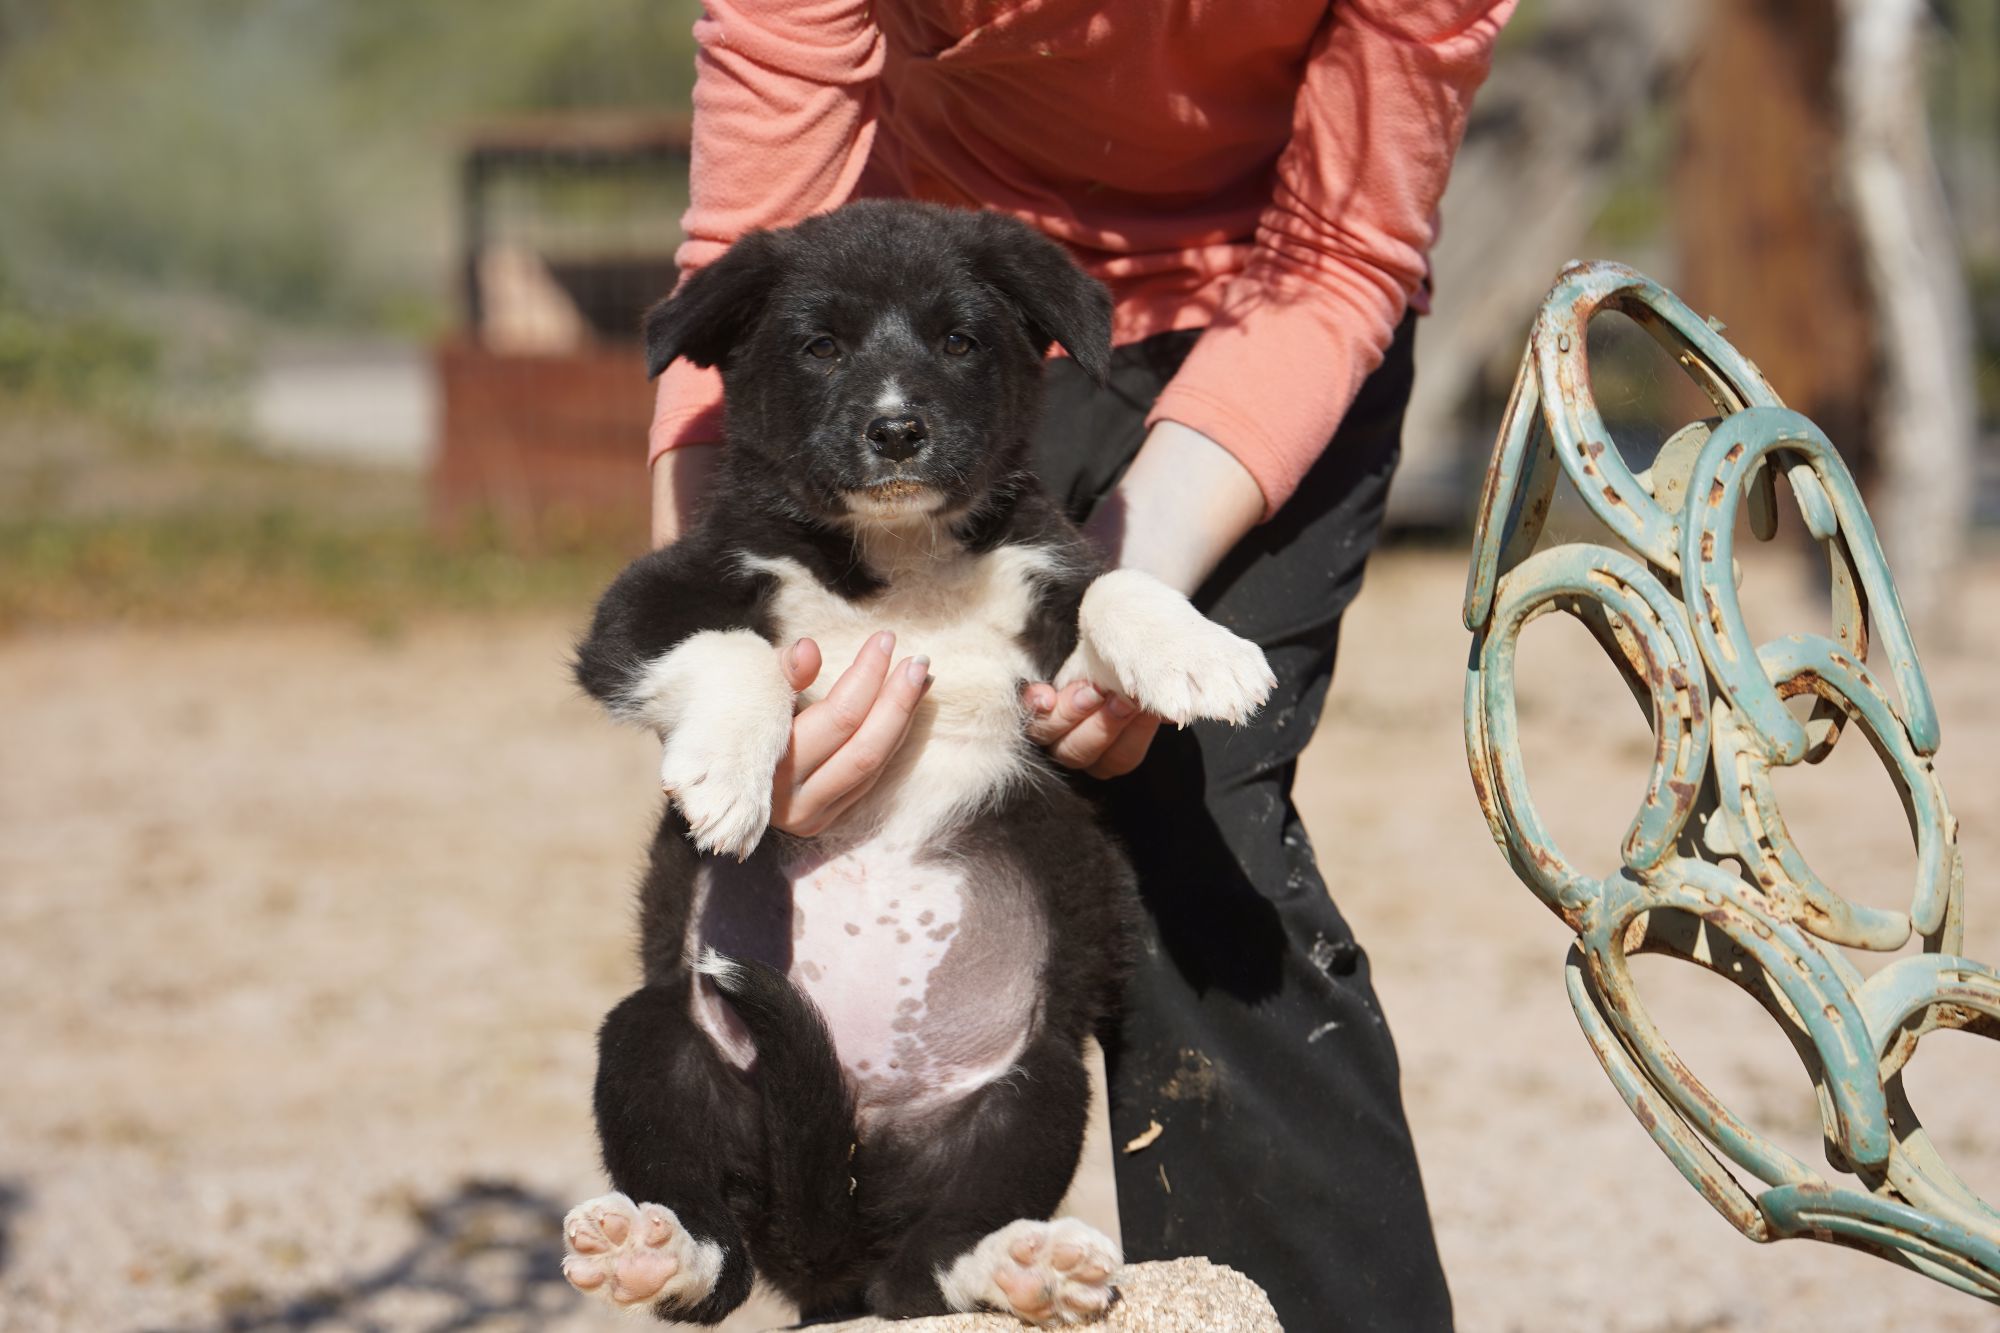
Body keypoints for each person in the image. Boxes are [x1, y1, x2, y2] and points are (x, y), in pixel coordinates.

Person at [645, 3, 1514, 1326]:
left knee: (1195, 814)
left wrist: (1110, 594)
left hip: (1267, 311)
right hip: (941, 316)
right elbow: (743, 244)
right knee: (863, 811)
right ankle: (883, 1287)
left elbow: (1345, 251)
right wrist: (731, 641)